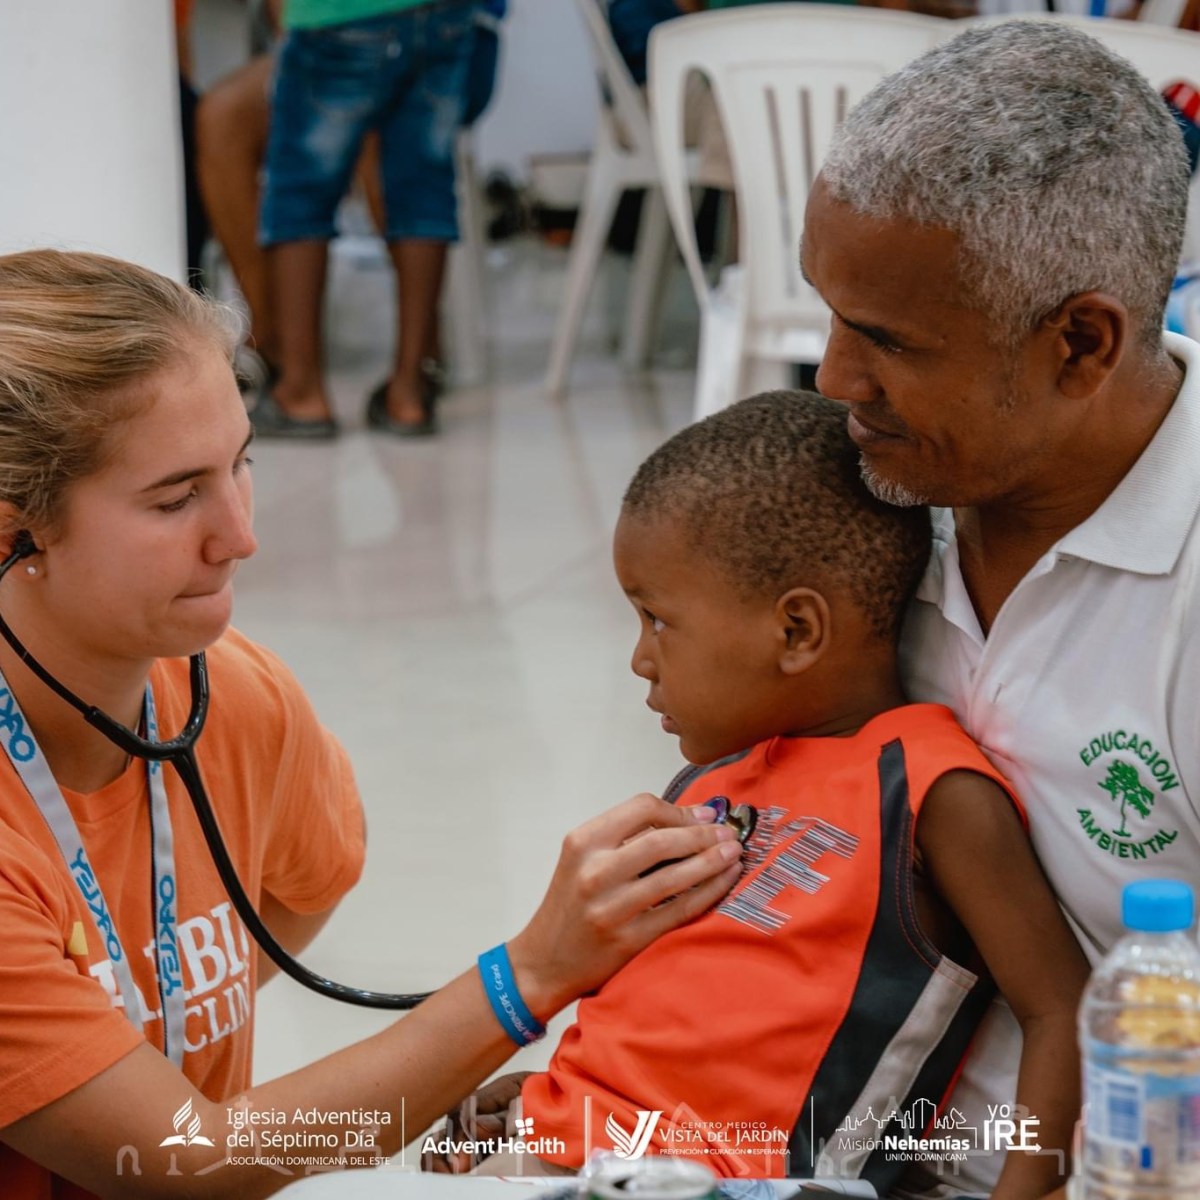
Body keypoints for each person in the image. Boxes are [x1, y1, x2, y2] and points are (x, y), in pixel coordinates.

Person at [0, 249, 744, 1199]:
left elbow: (308, 882)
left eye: (241, 464)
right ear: (12, 531)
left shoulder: (243, 700)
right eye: (176, 497)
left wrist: (113, 1034)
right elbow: (182, 1161)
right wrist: (530, 975)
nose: (240, 535)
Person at [452, 393, 1089, 1198]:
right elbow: (675, 1014)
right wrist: (547, 1098)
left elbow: (1059, 1009)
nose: (641, 660)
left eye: (657, 620)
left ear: (796, 632)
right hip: (567, 1155)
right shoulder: (710, 784)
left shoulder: (931, 787)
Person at [799, 18, 1199, 1198]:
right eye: (828, 310)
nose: (830, 378)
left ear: (1081, 344)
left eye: (886, 342)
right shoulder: (862, 498)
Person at [255, 0, 487, 438]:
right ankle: (409, 394)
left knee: (301, 189)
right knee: (423, 189)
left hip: (340, 15)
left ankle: (300, 392)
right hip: (445, 15)